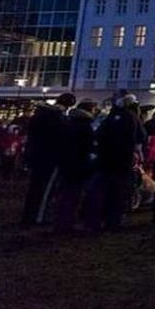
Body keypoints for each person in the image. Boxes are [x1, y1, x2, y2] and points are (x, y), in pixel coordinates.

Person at [93, 94, 146, 231]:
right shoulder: (131, 117)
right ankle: (114, 221)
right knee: (120, 192)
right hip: (123, 159)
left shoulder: (109, 117)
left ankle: (98, 220)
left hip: (105, 159)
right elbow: (141, 136)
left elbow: (98, 134)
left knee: (104, 190)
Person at [21, 93, 76, 226]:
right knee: (45, 188)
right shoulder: (57, 118)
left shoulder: (40, 116)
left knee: (35, 187)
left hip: (37, 155)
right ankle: (38, 217)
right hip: (50, 157)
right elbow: (63, 137)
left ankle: (29, 214)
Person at [54, 100, 97, 233]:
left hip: (66, 163)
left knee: (65, 194)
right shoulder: (85, 125)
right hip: (79, 164)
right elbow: (88, 146)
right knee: (73, 195)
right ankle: (66, 223)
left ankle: (61, 222)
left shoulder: (69, 122)